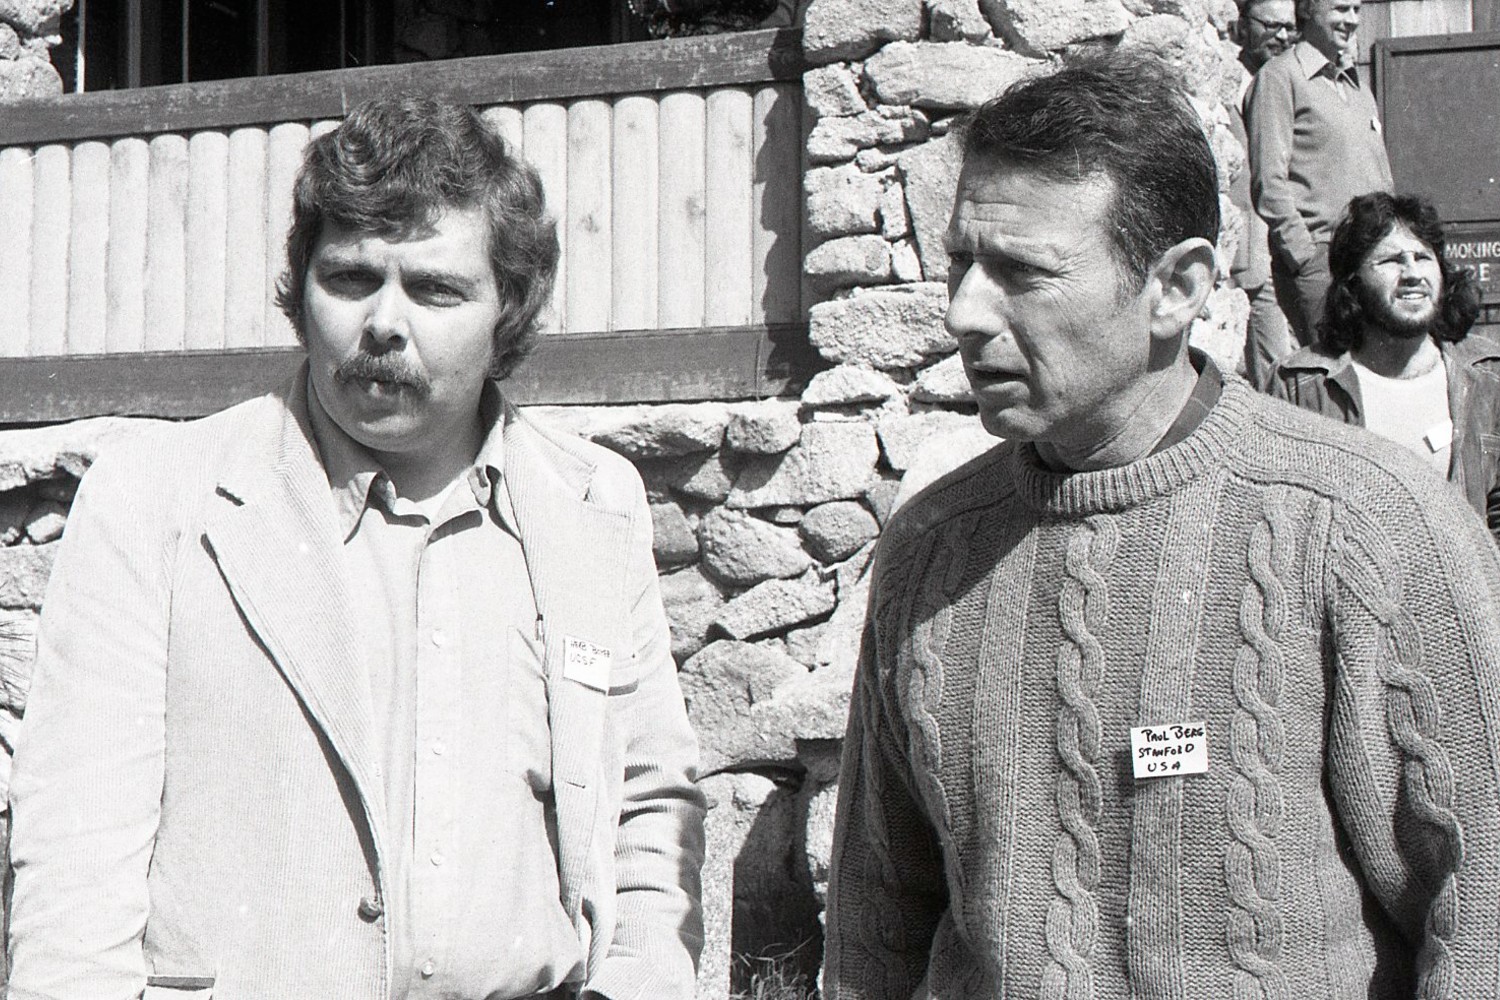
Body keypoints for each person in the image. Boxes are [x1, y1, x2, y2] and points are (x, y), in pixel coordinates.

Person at [823, 53, 1500, 1000]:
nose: (963, 311)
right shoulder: (927, 550)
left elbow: (1484, 915)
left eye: (1021, 270)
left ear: (1177, 287)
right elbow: (874, 928)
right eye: (961, 265)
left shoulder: (1371, 526)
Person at [5, 95, 705, 1000]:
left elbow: (651, 807)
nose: (382, 322)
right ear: (301, 288)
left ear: (510, 310)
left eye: (435, 289)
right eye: (350, 278)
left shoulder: (593, 506)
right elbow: (76, 863)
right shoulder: (156, 502)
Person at [1268, 191, 1499, 536]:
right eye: (1391, 261)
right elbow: (1278, 518)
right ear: (1353, 282)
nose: (1412, 274)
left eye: (1423, 258)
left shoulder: (1486, 375)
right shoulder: (1302, 385)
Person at [1246, 0, 1392, 345]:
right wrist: (1305, 257)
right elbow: (1269, 182)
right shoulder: (1280, 77)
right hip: (1323, 261)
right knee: (1329, 380)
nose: (1352, 21)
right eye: (1341, 9)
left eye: (1356, 10)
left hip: (1374, 254)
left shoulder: (1357, 87)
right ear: (1309, 11)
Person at [1227, 0, 1296, 385]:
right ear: (1244, 25)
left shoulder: (1275, 79)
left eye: (1289, 27)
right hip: (1249, 247)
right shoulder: (1234, 81)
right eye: (1271, 26)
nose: (1282, 36)